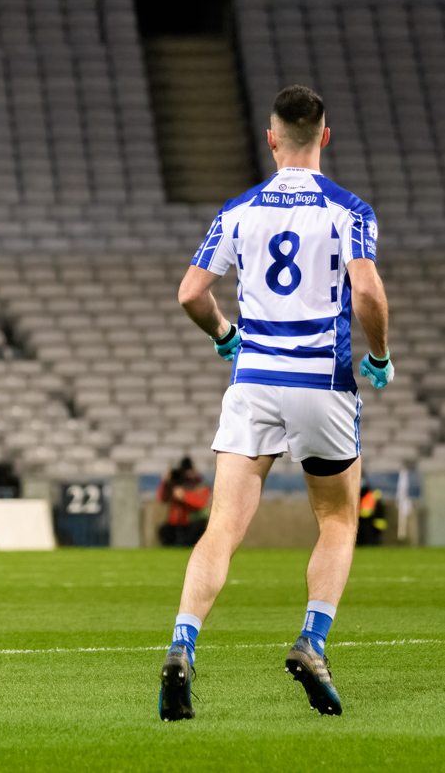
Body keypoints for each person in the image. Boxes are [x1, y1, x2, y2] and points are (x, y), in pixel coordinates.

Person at [158, 86, 392, 721]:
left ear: (271, 138)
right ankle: (313, 640)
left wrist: (227, 336)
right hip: (321, 380)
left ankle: (183, 642)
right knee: (338, 520)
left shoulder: (239, 211)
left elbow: (190, 294)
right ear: (325, 135)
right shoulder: (351, 211)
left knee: (224, 528)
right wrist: (378, 355)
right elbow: (367, 290)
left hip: (255, 379)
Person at [157, 457, 210, 547]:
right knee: (164, 531)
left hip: (193, 522)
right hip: (176, 524)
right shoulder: (174, 486)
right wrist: (166, 482)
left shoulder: (199, 486)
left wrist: (185, 496)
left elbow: (201, 503)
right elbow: (162, 499)